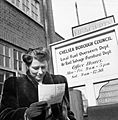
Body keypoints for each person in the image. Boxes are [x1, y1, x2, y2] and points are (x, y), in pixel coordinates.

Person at [0, 47, 76, 120]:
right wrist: (25, 114)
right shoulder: (14, 84)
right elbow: (4, 115)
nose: (40, 72)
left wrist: (67, 117)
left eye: (43, 67)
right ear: (28, 66)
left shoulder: (59, 80)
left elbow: (68, 112)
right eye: (35, 68)